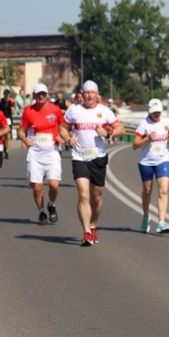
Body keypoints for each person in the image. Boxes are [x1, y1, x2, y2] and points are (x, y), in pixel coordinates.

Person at [59, 80, 124, 246]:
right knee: (83, 195)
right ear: (82, 94)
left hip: (98, 157)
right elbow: (62, 128)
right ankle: (87, 231)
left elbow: (120, 129)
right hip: (79, 156)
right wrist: (68, 138)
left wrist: (108, 131)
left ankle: (93, 224)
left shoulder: (105, 111)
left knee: (96, 197)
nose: (89, 95)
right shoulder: (74, 110)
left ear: (97, 94)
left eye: (92, 92)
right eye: (86, 92)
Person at [19, 83, 65, 225]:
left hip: (52, 152)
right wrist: (25, 140)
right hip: (35, 153)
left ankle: (51, 204)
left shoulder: (55, 110)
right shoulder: (28, 111)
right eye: (38, 94)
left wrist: (61, 136)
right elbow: (21, 130)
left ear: (47, 95)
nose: (41, 96)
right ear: (33, 96)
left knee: (54, 184)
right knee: (37, 187)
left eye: (43, 94)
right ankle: (41, 212)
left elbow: (62, 126)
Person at [133, 98, 169, 234]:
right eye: (154, 112)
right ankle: (145, 216)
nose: (156, 115)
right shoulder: (144, 124)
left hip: (163, 159)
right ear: (149, 112)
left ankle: (161, 222)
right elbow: (135, 145)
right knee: (147, 191)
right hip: (146, 161)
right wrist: (147, 139)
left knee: (163, 190)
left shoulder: (167, 122)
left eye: (158, 112)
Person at [0, 89, 15, 159]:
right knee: (3, 136)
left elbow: (13, 108)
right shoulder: (0, 101)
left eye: (8, 95)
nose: (7, 96)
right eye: (6, 95)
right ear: (4, 95)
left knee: (8, 136)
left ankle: (7, 152)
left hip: (9, 119)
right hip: (2, 119)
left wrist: (13, 107)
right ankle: (4, 147)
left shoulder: (11, 101)